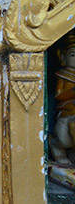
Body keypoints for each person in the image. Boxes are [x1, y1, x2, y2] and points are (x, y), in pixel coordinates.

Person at [51, 30, 75, 165]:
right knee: (65, 139)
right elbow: (58, 95)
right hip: (68, 111)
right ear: (63, 58)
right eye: (73, 55)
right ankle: (55, 146)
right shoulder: (63, 76)